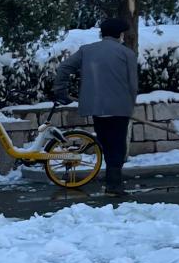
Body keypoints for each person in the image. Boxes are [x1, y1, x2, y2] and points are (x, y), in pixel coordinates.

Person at [53, 16, 139, 193]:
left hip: (95, 106)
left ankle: (112, 181)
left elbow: (63, 68)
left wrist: (61, 91)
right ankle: (114, 184)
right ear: (120, 35)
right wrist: (130, 105)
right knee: (117, 145)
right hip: (119, 108)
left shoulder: (87, 51)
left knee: (107, 142)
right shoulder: (128, 54)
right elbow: (133, 85)